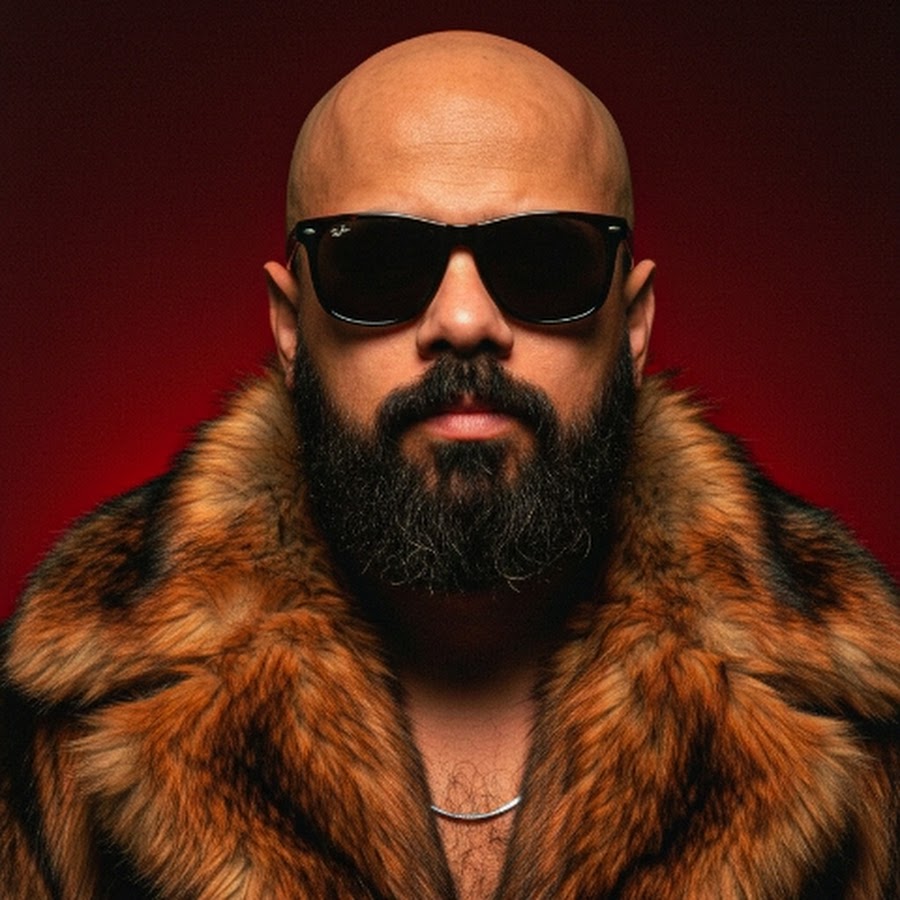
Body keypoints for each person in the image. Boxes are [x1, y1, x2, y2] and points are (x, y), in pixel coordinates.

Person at [1, 30, 897, 899]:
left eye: (545, 261)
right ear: (289, 326)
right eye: (377, 263)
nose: (464, 321)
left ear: (632, 326)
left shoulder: (853, 726)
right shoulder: (68, 724)